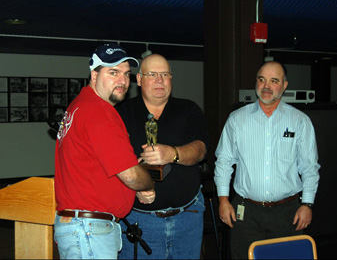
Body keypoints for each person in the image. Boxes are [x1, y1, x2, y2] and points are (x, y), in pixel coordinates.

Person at [54, 43, 155, 260]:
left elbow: (98, 168)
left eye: (127, 74)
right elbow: (129, 174)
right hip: (89, 229)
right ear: (94, 74)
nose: (123, 81)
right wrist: (148, 183)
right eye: (113, 72)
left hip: (81, 226)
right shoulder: (99, 111)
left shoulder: (79, 106)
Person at [214, 61, 320, 259]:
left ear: (285, 85)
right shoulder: (237, 119)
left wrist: (307, 204)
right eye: (262, 80)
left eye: (274, 81)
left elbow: (309, 167)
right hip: (246, 213)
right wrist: (223, 200)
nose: (266, 86)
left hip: (288, 213)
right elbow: (223, 162)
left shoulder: (300, 121)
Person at [116, 54, 209, 259]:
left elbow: (201, 150)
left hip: (188, 218)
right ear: (139, 80)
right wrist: (136, 186)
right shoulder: (121, 113)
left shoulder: (188, 109)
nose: (159, 80)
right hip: (140, 221)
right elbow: (112, 164)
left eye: (164, 74)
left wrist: (172, 154)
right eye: (152, 74)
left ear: (171, 78)